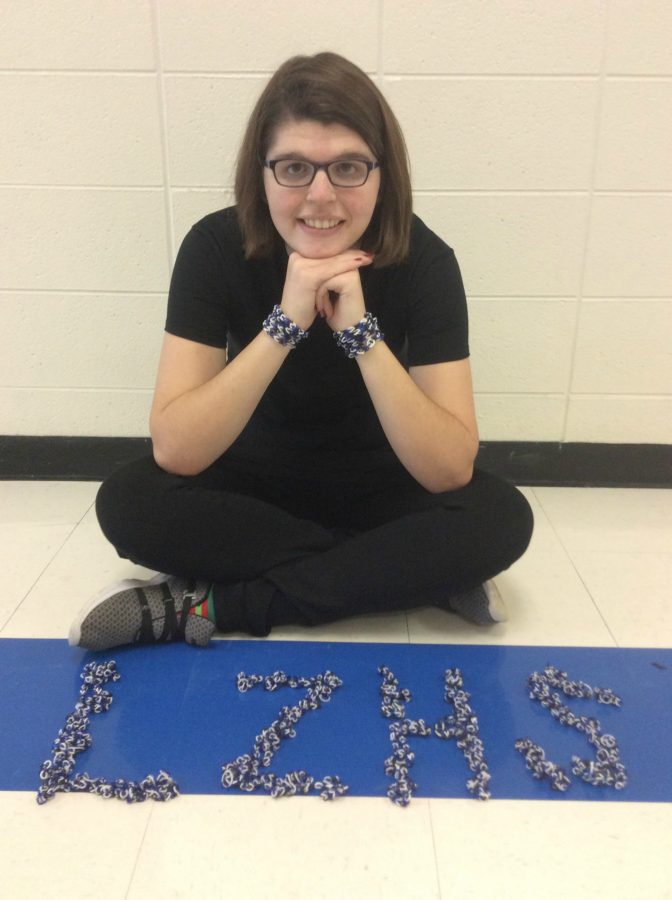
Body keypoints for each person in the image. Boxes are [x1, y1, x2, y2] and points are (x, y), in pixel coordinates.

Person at [69, 52, 533, 652]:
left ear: (382, 174)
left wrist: (360, 333)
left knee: (500, 518)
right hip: (254, 491)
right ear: (260, 176)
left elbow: (448, 467)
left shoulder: (426, 260)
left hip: (382, 487)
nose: (320, 197)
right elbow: (177, 449)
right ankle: (404, 579)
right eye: (293, 168)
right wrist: (285, 323)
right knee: (128, 502)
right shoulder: (214, 247)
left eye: (347, 167)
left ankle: (206, 605)